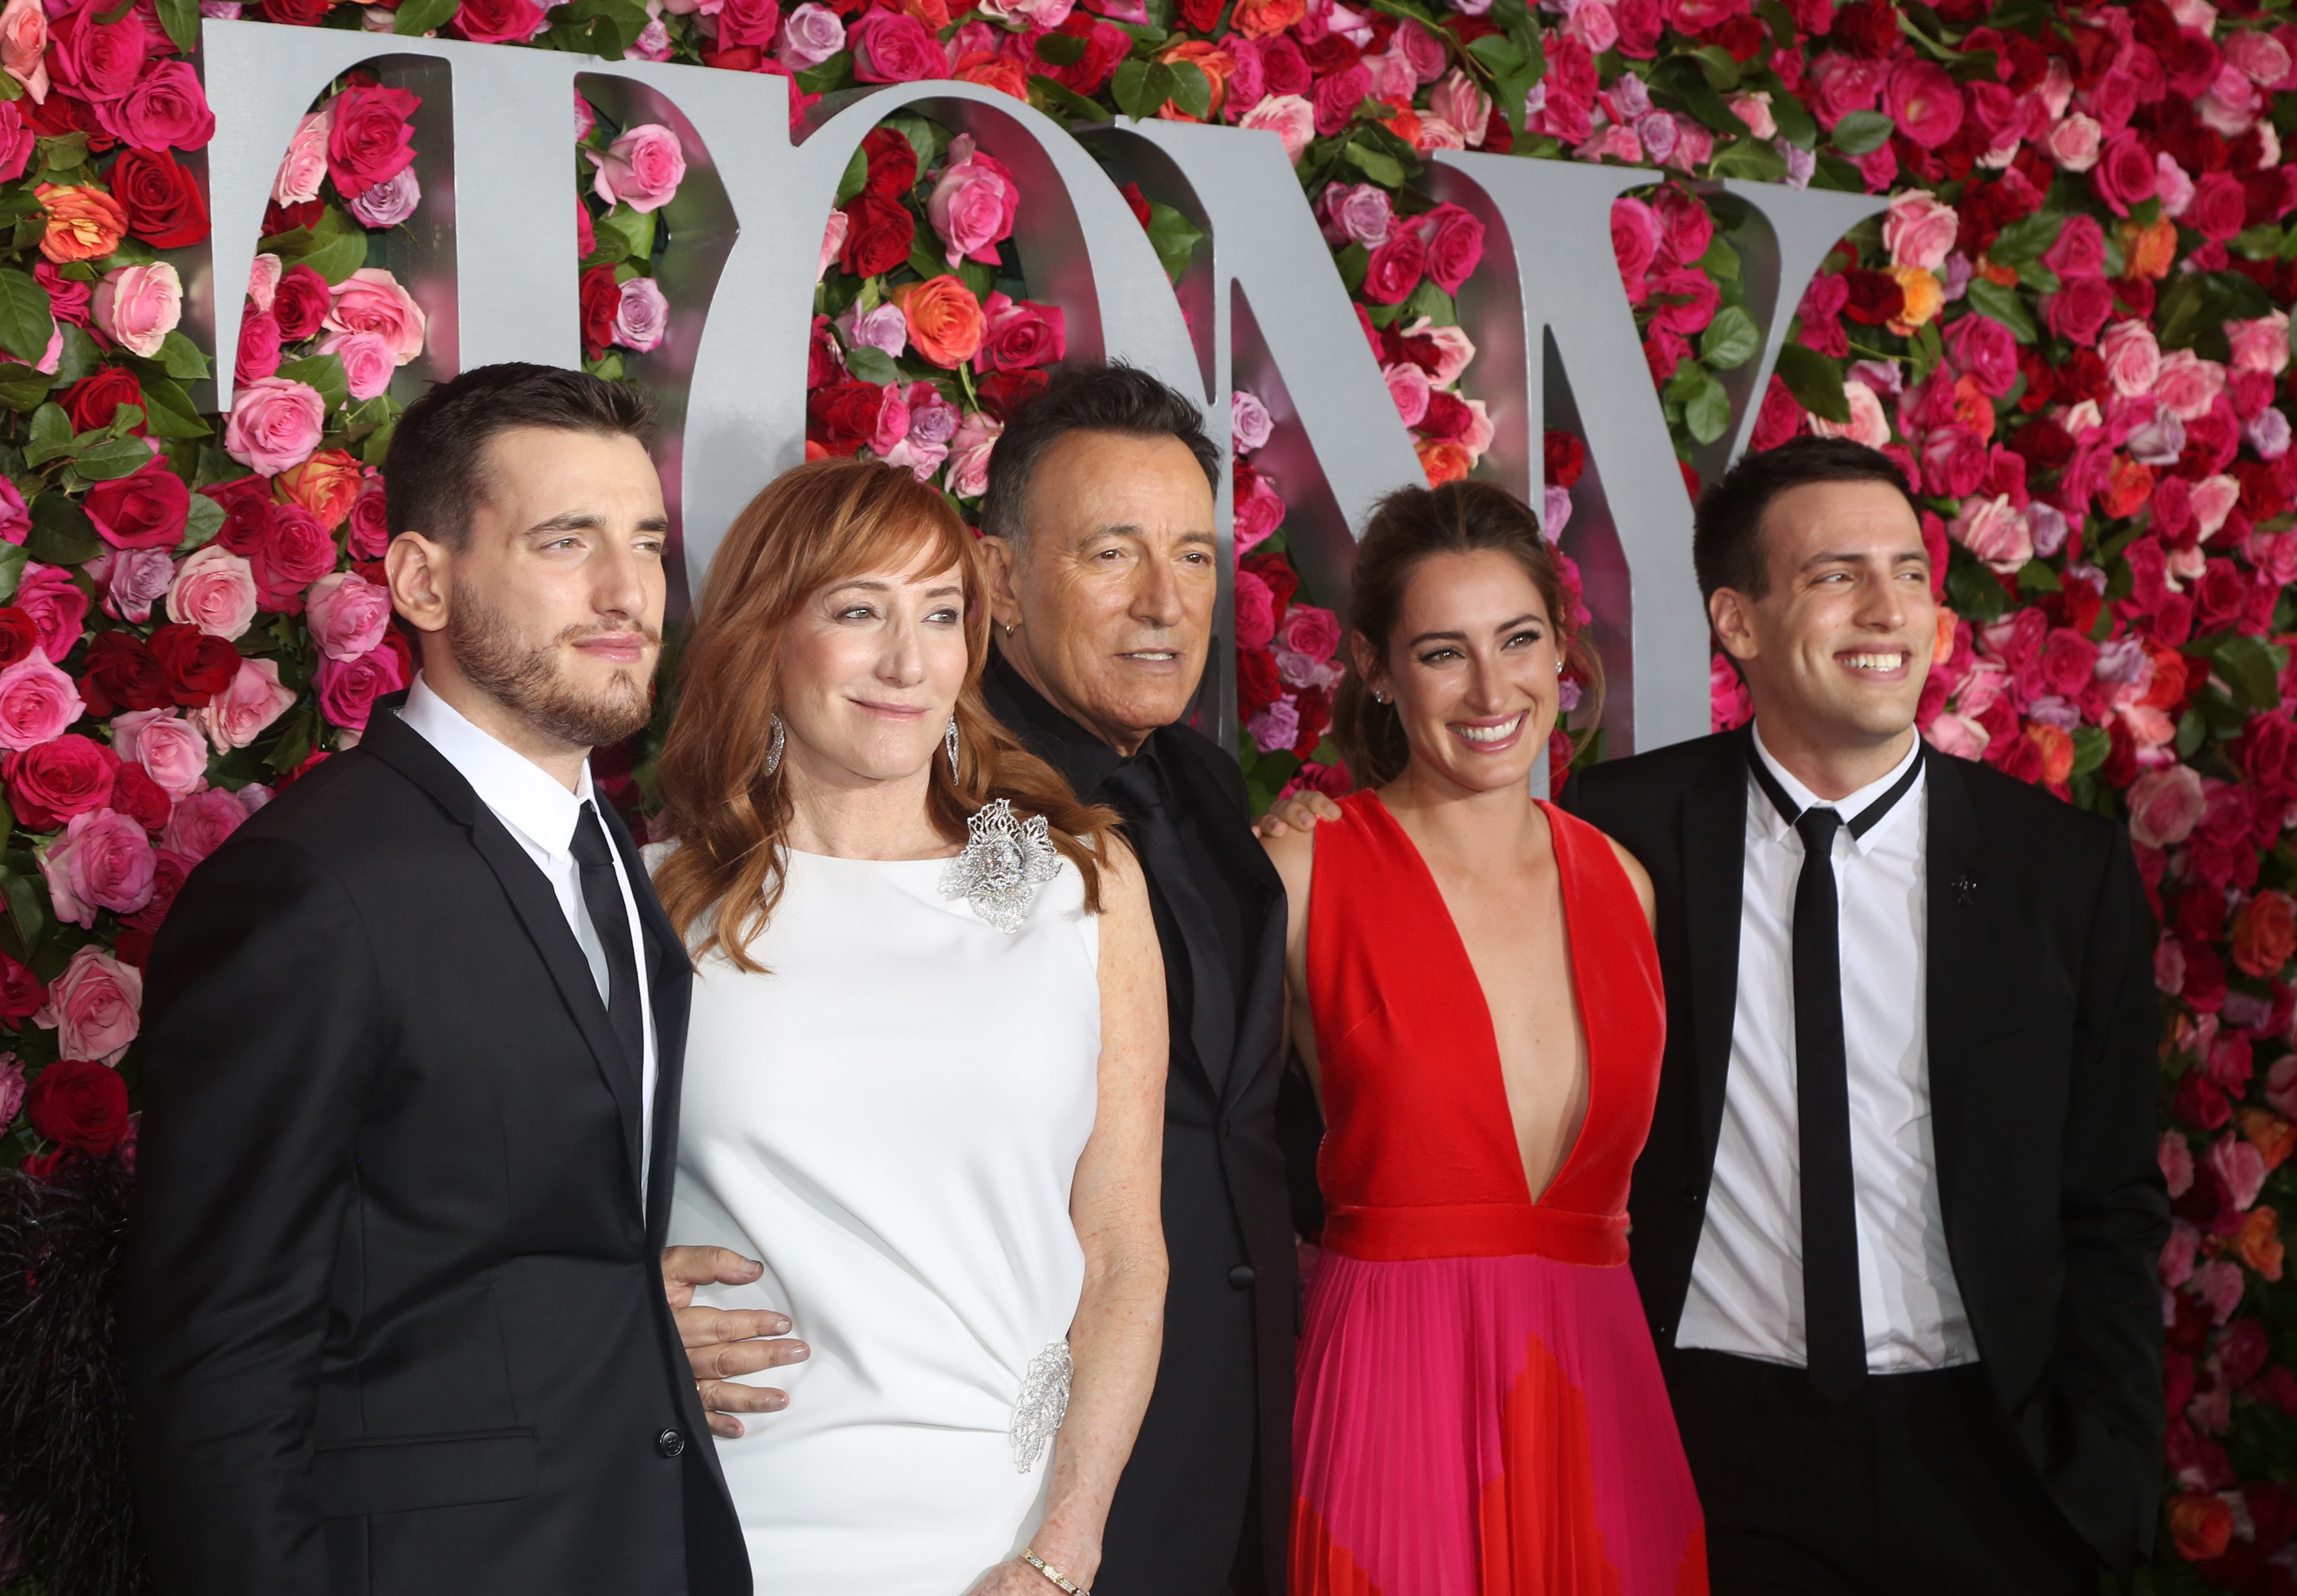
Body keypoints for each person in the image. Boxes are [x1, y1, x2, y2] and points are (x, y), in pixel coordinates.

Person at [119, 364, 792, 1596]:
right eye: (564, 541)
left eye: (644, 541)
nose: (626, 590)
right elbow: (219, 1363)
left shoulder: (614, 866)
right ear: (424, 579)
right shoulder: (312, 890)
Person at [1557, 438, 2161, 1591]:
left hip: (1995, 1455)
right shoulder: (1617, 833)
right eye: (1838, 573)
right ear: (1739, 621)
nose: (1890, 608)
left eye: (1911, 572)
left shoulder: (2059, 868)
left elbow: (2113, 1201)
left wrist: (2113, 1476)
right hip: (1707, 1444)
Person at [651, 457, 1169, 1596]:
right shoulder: (653, 903)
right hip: (736, 1518)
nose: (907, 660)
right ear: (763, 633)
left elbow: (1127, 1252)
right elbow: (531, 1219)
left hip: (1004, 1536)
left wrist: (1061, 1547)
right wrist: (626, 1324)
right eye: (857, 611)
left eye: (941, 613)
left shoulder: (1083, 887)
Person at [1257, 480, 1706, 1594]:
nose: (1492, 688)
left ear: (1562, 646)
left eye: (1518, 640)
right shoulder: (1306, 871)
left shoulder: (1624, 883)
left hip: (1604, 1406)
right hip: (1389, 1405)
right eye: (1443, 652)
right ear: (1375, 666)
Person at [976, 363, 1298, 1595]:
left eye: (1195, 556)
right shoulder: (948, 801)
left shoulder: (1206, 783)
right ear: (1000, 578)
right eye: (1113, 553)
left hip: (1243, 1399)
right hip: (1044, 1439)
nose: (1167, 601)